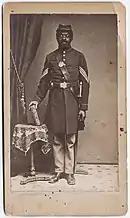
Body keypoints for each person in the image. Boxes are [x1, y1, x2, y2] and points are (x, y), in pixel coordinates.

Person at [29, 24, 90, 185]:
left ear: (71, 37)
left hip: (72, 102)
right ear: (57, 37)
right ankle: (58, 171)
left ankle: (69, 172)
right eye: (61, 35)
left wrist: (83, 107)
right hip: (55, 102)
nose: (64, 37)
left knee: (70, 139)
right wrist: (36, 99)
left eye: (67, 35)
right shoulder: (50, 58)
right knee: (56, 138)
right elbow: (44, 82)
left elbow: (86, 83)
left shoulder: (79, 57)